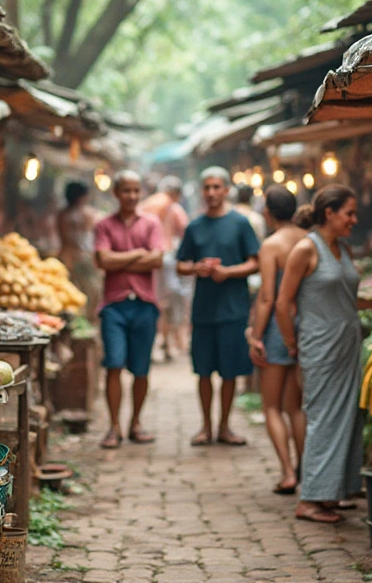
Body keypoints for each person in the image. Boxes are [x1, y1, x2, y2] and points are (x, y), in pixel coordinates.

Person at [275, 184, 363, 524]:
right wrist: (292, 345)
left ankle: (334, 490)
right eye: (349, 213)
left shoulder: (344, 248)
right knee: (323, 417)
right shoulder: (305, 249)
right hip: (319, 344)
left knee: (347, 418)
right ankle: (310, 499)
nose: (354, 219)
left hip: (347, 343)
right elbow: (284, 304)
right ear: (330, 213)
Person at [176, 167, 260, 447]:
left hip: (233, 310)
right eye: (207, 187)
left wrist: (229, 272)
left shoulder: (240, 223)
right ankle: (206, 427)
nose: (211, 193)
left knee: (229, 372)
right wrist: (196, 268)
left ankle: (225, 426)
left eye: (216, 187)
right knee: (203, 371)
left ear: (226, 190)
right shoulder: (194, 226)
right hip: (203, 311)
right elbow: (180, 264)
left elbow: (255, 262)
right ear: (202, 191)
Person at [93, 171, 166, 449]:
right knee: (114, 364)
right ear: (117, 193)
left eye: (136, 191)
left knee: (141, 369)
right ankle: (113, 427)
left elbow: (157, 259)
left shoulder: (152, 222)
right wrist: (138, 254)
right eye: (127, 191)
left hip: (145, 305)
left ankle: (135, 423)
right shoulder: (104, 225)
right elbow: (103, 260)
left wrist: (120, 260)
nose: (132, 196)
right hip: (113, 307)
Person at [246, 186, 309, 495]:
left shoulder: (271, 245)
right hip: (304, 323)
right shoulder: (308, 239)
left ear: (267, 213)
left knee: (271, 406)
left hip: (276, 327)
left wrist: (255, 336)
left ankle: (287, 472)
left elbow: (267, 298)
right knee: (295, 406)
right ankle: (306, 471)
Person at [140, 176, 192, 360]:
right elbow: (185, 230)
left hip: (147, 259)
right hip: (165, 257)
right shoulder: (170, 205)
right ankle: (167, 341)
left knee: (156, 300)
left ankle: (162, 342)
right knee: (169, 301)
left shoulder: (146, 204)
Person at [57, 181, 101, 320]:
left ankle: (77, 323)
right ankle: (87, 323)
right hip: (85, 259)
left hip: (67, 257)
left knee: (71, 295)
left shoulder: (62, 215)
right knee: (90, 293)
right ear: (81, 197)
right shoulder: (88, 214)